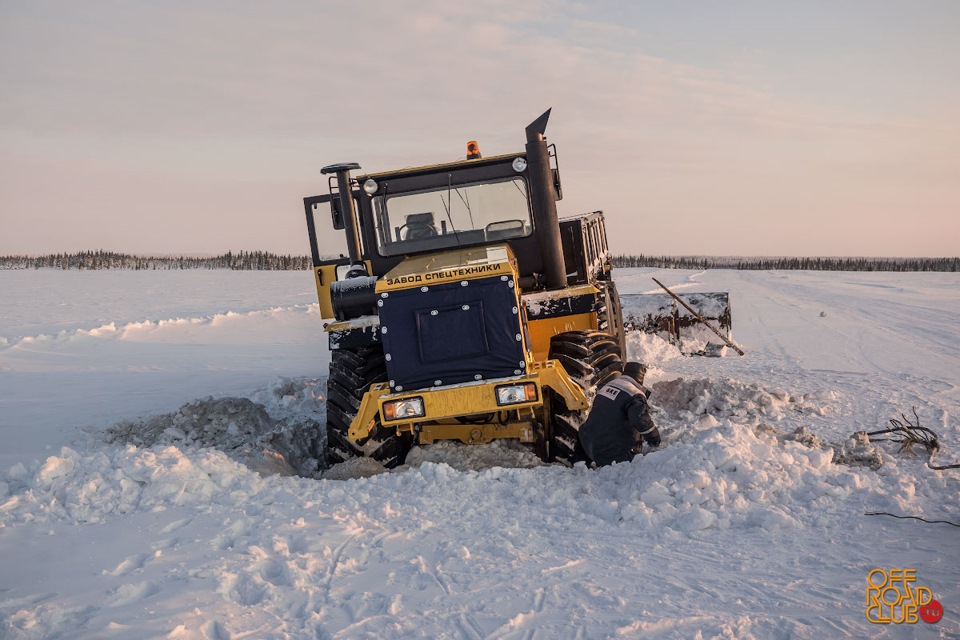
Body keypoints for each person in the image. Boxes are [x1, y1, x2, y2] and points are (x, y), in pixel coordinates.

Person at [578, 362, 661, 466]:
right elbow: (639, 419)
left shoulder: (608, 386)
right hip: (613, 452)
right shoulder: (635, 394)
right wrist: (654, 438)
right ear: (640, 377)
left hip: (588, 446)